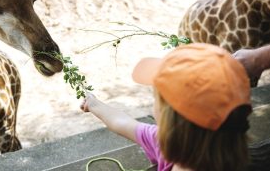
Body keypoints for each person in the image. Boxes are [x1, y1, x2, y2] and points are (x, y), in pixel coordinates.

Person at [80, 43, 252, 171]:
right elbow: (122, 122)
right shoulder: (228, 147)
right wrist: (94, 104)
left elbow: (123, 123)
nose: (152, 106)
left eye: (156, 99)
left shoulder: (162, 143)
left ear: (172, 122)